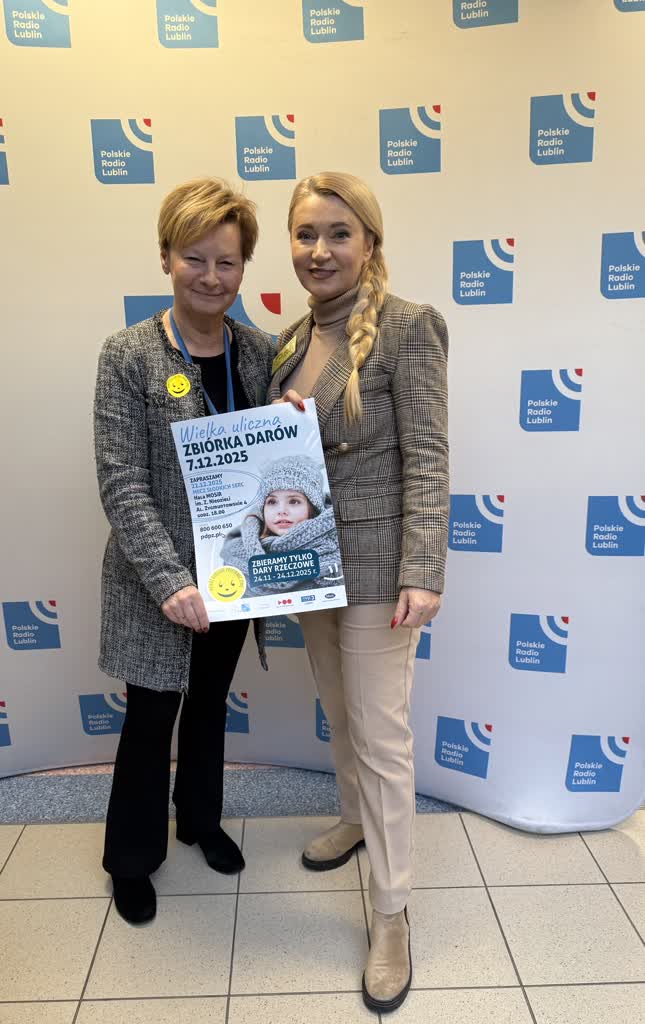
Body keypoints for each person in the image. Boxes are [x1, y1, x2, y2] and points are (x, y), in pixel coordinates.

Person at [269, 172, 448, 1013]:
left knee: (382, 736)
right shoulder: (287, 339)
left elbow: (429, 456)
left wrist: (422, 568)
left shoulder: (409, 327)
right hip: (307, 562)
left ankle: (390, 912)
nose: (319, 250)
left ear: (369, 242)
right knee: (341, 715)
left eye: (338, 233)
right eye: (305, 233)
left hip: (379, 567)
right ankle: (352, 817)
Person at [94, 178, 274, 925]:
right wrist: (170, 581)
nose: (210, 276)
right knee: (149, 722)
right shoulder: (129, 355)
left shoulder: (260, 352)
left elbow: (278, 461)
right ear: (166, 256)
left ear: (244, 267)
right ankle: (131, 859)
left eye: (227, 262)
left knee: (208, 709)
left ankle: (199, 819)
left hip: (233, 575)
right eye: (194, 258)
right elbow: (121, 480)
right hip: (154, 584)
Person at [220, 454, 343, 593]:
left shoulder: (339, 546)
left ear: (313, 507)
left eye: (294, 501)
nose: (281, 510)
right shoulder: (236, 555)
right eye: (272, 502)